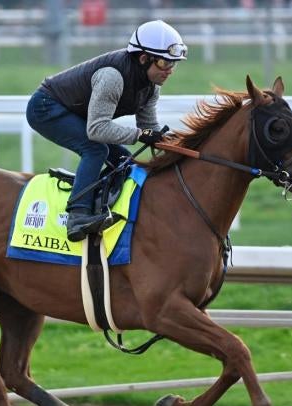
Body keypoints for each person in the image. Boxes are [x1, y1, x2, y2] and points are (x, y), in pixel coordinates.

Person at [26, 20, 187, 242]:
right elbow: (97, 129)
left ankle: (105, 206)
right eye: (164, 62)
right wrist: (139, 135)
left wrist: (177, 147)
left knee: (125, 161)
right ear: (143, 58)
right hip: (45, 107)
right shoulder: (112, 77)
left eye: (173, 64)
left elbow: (150, 130)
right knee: (95, 150)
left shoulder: (152, 87)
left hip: (76, 114)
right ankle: (77, 215)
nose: (169, 70)